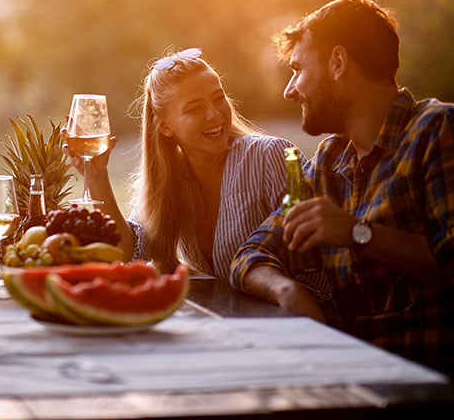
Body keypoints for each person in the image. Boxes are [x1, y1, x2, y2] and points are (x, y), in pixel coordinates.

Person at [230, 0, 454, 375]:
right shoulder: (330, 161)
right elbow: (249, 255)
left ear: (338, 62)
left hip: (431, 381)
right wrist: (287, 290)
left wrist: (355, 232)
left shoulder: (436, 131)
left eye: (298, 69)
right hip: (354, 375)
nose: (290, 89)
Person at [63, 48, 316, 285]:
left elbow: (315, 257)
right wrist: (97, 176)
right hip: (226, 326)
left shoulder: (269, 157)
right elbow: (126, 251)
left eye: (219, 99)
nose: (214, 114)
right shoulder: (168, 182)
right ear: (164, 126)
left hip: (293, 322)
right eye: (195, 108)